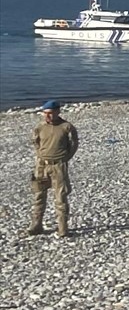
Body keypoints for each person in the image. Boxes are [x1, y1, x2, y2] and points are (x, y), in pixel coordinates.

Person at [27, 100, 79, 237]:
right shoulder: (39, 127)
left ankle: (62, 228)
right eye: (45, 113)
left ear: (57, 112)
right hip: (41, 165)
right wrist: (40, 156)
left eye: (50, 113)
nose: (47, 116)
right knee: (39, 196)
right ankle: (36, 225)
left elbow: (74, 143)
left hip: (58, 166)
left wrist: (66, 157)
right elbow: (35, 143)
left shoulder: (66, 127)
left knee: (60, 197)